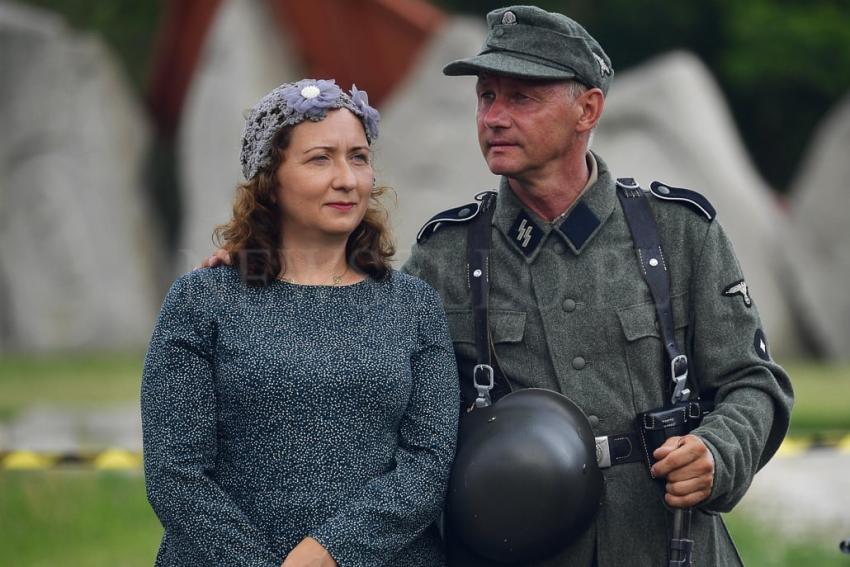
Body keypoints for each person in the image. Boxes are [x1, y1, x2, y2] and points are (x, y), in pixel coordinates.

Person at [203, 7, 794, 566]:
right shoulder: (445, 254)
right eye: (486, 97)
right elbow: (355, 356)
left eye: (521, 98)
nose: (493, 117)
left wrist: (717, 453)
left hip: (665, 546)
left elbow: (753, 384)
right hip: (517, 552)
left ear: (587, 110)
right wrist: (268, 274)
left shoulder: (679, 232)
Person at [142, 79, 459, 567]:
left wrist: (328, 554)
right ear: (271, 178)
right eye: (320, 159)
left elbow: (429, 463)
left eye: (358, 157)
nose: (347, 179)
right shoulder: (202, 300)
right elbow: (174, 473)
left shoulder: (414, 306)